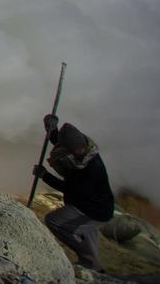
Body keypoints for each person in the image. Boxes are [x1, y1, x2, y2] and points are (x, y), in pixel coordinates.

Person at [33, 114, 114, 271]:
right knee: (88, 234)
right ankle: (94, 268)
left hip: (92, 210)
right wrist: (51, 127)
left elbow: (69, 188)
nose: (79, 151)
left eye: (80, 149)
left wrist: (45, 176)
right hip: (93, 206)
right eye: (75, 150)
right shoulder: (79, 147)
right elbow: (58, 140)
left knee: (54, 221)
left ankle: (87, 260)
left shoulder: (92, 168)